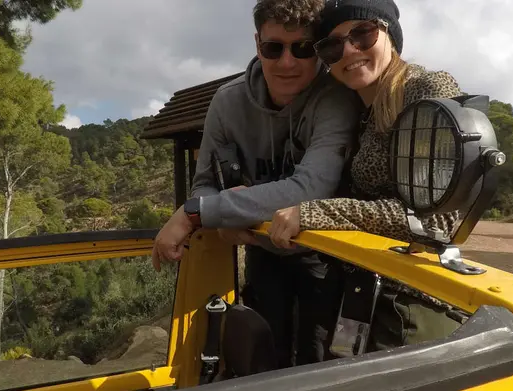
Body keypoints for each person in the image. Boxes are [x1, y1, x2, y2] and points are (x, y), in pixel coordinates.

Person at [151, 0, 362, 368]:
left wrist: (197, 213)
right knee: (262, 360)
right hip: (261, 250)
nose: (287, 62)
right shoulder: (228, 102)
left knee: (321, 366)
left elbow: (311, 188)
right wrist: (222, 218)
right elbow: (205, 183)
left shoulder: (337, 98)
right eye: (273, 47)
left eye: (302, 48)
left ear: (319, 50)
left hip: (325, 253)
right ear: (256, 43)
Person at [267, 0, 466, 351]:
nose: (348, 50)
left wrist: (314, 213)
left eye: (362, 34)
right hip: (356, 298)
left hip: (412, 304)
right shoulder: (351, 110)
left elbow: (437, 219)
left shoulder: (425, 90)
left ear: (389, 34)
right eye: (331, 45)